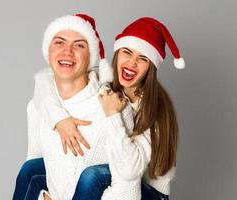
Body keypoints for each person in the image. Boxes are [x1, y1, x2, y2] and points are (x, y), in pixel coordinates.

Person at [14, 16, 185, 200]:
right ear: (117, 54)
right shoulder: (102, 79)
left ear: (150, 67)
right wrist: (59, 120)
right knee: (31, 170)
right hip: (112, 169)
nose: (132, 63)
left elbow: (130, 171)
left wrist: (113, 114)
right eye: (127, 52)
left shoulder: (155, 110)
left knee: (91, 176)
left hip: (146, 190)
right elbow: (45, 81)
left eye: (142, 58)